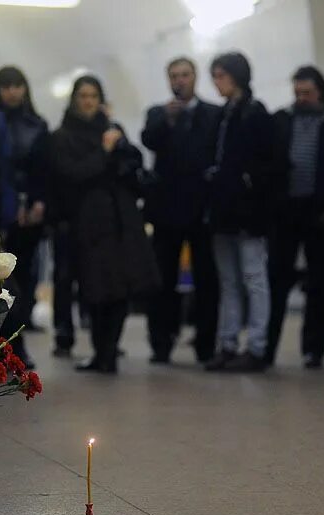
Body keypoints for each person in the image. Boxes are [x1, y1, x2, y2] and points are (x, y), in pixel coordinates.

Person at [49, 75, 159, 373]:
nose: (88, 102)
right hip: (88, 220)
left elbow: (134, 162)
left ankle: (108, 351)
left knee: (121, 285)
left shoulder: (111, 130)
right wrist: (105, 152)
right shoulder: (63, 136)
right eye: (83, 96)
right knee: (96, 287)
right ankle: (101, 350)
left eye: (93, 96)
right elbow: (72, 174)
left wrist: (118, 145)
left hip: (121, 218)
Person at [266, 65, 324, 368]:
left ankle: (313, 347)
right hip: (285, 212)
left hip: (322, 214)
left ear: (320, 91)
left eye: (307, 93)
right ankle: (266, 346)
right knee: (276, 279)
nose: (301, 98)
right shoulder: (280, 121)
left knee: (319, 283)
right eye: (297, 93)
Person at [141, 57, 221, 364]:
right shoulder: (158, 114)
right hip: (166, 212)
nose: (180, 80)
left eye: (185, 75)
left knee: (206, 280)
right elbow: (149, 140)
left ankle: (205, 344)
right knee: (162, 280)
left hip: (200, 211)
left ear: (195, 77)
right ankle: (161, 342)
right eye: (174, 75)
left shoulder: (213, 114)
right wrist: (167, 120)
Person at [204, 52, 274, 372]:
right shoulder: (225, 115)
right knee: (230, 281)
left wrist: (249, 196)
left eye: (221, 75)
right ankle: (228, 342)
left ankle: (257, 345)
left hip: (247, 214)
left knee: (253, 279)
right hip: (224, 213)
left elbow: (264, 168)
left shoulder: (254, 114)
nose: (217, 82)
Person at [0, 66, 49, 368]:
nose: (12, 91)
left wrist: (37, 202)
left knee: (24, 281)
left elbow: (42, 170)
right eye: (6, 86)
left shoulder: (37, 125)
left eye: (17, 85)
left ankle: (17, 344)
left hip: (27, 216)